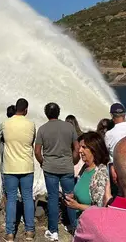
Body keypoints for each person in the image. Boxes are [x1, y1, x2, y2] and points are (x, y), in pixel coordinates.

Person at [35, 103, 79, 241]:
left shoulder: (42, 129)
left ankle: (53, 231)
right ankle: (74, 227)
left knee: (53, 198)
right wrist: (73, 161)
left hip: (50, 168)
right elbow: (76, 148)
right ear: (59, 112)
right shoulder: (69, 127)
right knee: (70, 197)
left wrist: (43, 162)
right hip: (67, 167)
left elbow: (37, 151)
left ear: (46, 113)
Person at [1, 98, 36, 241]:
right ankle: (30, 231)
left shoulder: (5, 124)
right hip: (26, 165)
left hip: (10, 166)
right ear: (26, 110)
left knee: (11, 200)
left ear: (16, 108)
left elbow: (3, 139)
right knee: (28, 198)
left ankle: (10, 233)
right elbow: (32, 141)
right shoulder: (31, 124)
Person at [64, 132, 110, 217]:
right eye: (80, 147)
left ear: (94, 149)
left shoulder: (100, 173)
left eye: (84, 147)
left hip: (92, 225)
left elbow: (101, 209)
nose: (80, 150)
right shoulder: (85, 167)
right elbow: (85, 190)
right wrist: (74, 196)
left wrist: (77, 206)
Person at [0, 106, 17, 195]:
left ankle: (8, 208)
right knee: (23, 193)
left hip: (5, 165)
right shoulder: (21, 126)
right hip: (19, 165)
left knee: (7, 194)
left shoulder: (1, 126)